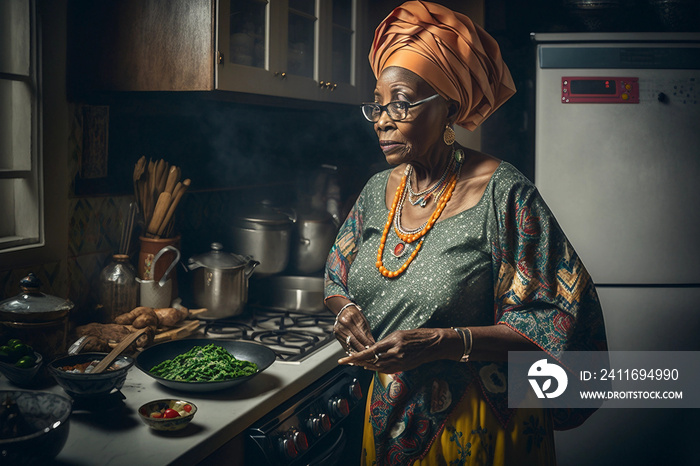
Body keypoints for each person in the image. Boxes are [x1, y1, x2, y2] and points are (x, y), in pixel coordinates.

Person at [324, 2, 607, 465]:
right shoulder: (378, 190)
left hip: (482, 428)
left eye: (400, 101)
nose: (381, 118)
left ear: (449, 107)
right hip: (391, 419)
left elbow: (562, 320)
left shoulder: (504, 193)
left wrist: (445, 341)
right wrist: (347, 309)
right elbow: (336, 273)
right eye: (377, 104)